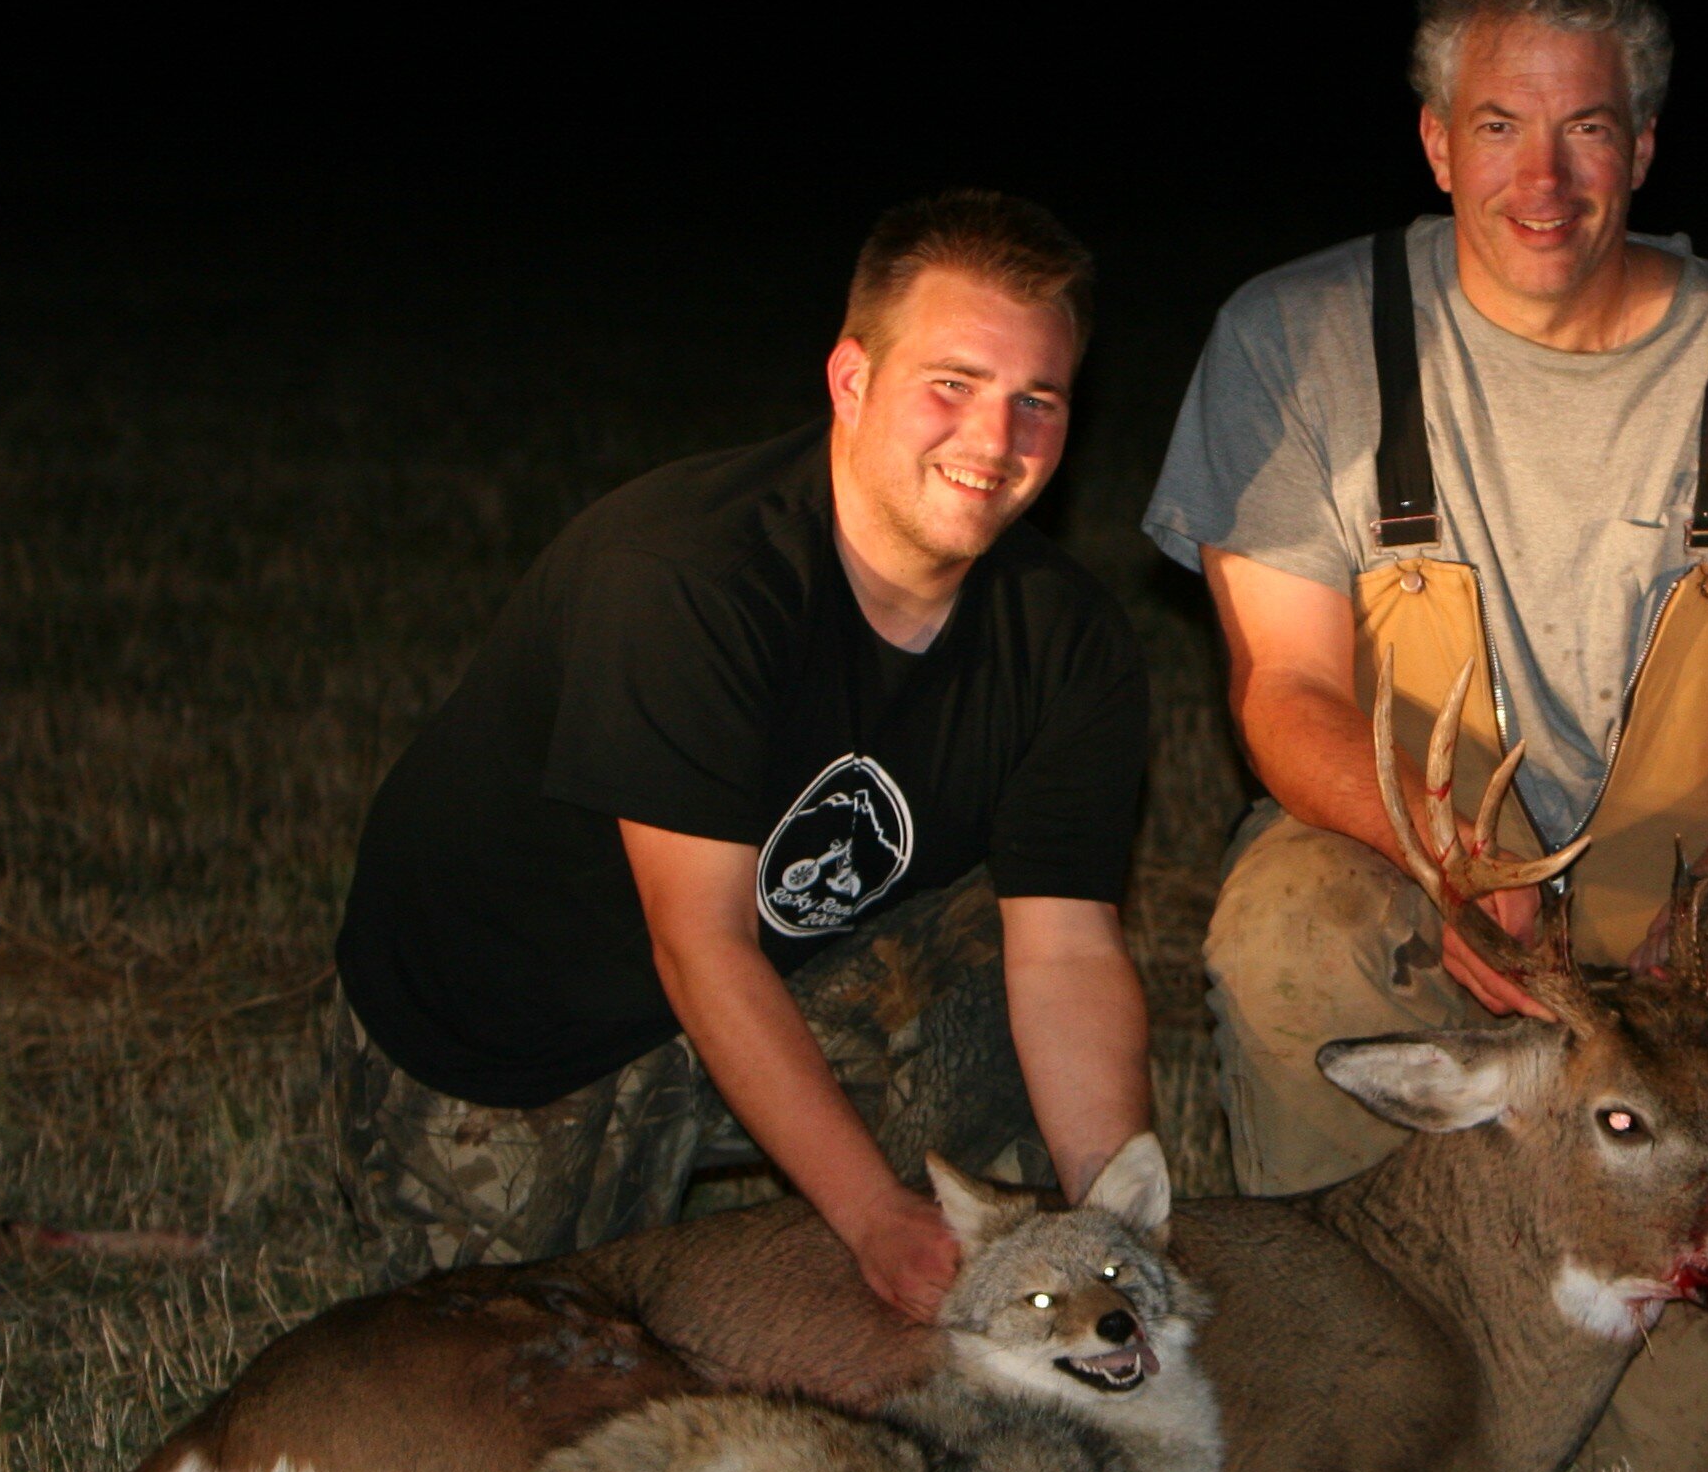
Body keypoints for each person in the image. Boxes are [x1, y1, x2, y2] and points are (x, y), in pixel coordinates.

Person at [1143, 0, 1708, 1472]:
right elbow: (1283, 690)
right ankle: (1343, 1364)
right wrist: (1439, 867)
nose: (1543, 180)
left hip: (1680, 899)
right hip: (1417, 851)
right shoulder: (1298, 350)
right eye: (1500, 126)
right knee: (1290, 931)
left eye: (1586, 128)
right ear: (1435, 140)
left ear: (1643, 144)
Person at [332, 190, 1154, 1319]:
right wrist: (873, 1216)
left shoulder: (1068, 641)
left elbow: (1066, 951)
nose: (995, 440)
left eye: (1037, 400)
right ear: (852, 380)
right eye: (952, 385)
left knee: (984, 946)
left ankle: (959, 1247)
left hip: (786, 965)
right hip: (527, 1021)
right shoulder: (686, 575)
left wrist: (1122, 1233)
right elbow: (698, 943)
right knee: (535, 1360)